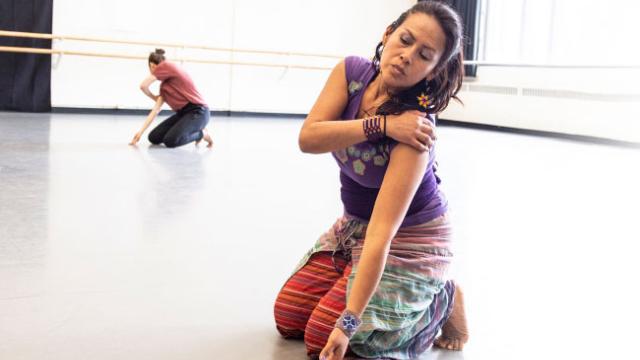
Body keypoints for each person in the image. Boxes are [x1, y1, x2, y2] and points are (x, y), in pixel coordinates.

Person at [273, 2, 469, 359]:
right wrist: (381, 125)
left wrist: (348, 323)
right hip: (353, 228)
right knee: (288, 317)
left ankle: (439, 296)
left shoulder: (416, 132)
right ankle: (364, 281)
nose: (406, 56)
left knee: (323, 338)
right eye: (404, 40)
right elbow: (309, 138)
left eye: (424, 55)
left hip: (409, 240)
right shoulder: (352, 74)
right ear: (387, 34)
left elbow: (382, 235)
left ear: (433, 69)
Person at [130, 48, 213, 148]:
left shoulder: (166, 65)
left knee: (171, 141)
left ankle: (202, 134)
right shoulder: (163, 88)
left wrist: (153, 97)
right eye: (151, 66)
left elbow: (143, 86)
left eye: (155, 66)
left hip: (199, 112)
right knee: (153, 137)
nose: (154, 69)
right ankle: (190, 131)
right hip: (183, 114)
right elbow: (155, 111)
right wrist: (140, 132)